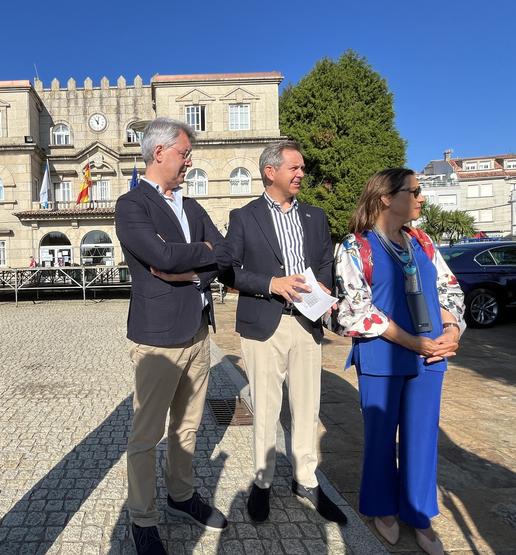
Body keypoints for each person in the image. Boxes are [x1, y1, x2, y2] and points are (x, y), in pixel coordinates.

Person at [334, 168, 465, 555]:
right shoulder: (355, 247)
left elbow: (449, 289)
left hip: (430, 359)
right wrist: (413, 342)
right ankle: (381, 508)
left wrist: (452, 330)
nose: (422, 198)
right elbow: (355, 311)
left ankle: (419, 513)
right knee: (379, 438)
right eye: (415, 191)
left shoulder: (422, 242)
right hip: (383, 357)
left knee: (422, 438)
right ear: (387, 197)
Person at [115, 117, 229, 554]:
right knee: (146, 436)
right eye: (184, 153)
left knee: (188, 426)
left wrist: (188, 270)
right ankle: (142, 520)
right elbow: (157, 255)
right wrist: (195, 256)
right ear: (159, 152)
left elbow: (222, 253)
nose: (189, 160)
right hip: (158, 338)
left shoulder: (191, 206)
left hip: (198, 333)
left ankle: (181, 497)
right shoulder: (132, 205)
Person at [222, 140, 347, 525]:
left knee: (308, 407)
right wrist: (271, 283)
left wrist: (325, 286)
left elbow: (325, 262)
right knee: (267, 408)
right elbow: (229, 270)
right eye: (294, 167)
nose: (301, 174)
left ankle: (306, 479)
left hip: (307, 323)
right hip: (265, 323)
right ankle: (262, 483)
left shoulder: (316, 216)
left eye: (302, 168)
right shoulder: (244, 217)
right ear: (270, 172)